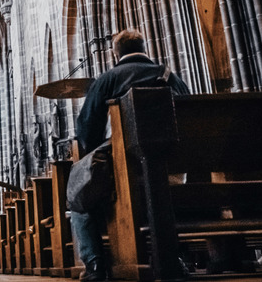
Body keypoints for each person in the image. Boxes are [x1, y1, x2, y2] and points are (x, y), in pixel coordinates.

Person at [72, 29, 189, 281]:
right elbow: (192, 116)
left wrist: (93, 155)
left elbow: (85, 129)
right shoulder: (169, 76)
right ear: (144, 48)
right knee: (176, 193)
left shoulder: (107, 80)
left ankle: (95, 266)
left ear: (116, 54)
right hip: (174, 171)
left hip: (125, 169)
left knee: (80, 199)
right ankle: (183, 258)